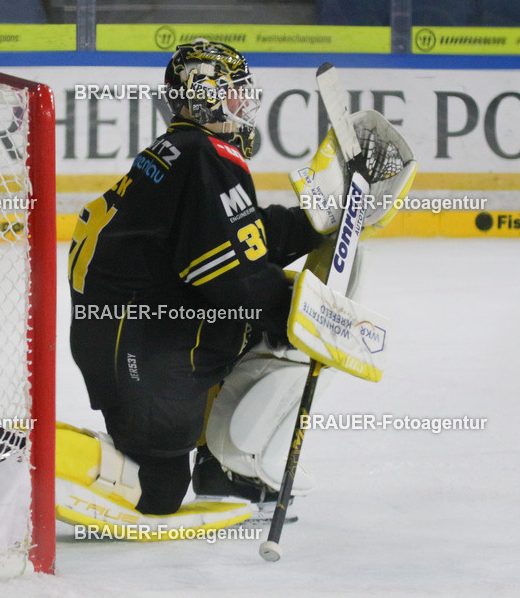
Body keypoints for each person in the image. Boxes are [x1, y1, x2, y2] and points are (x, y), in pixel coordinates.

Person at [61, 39, 328, 525]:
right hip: (143, 346)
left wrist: (316, 223)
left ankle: (227, 472)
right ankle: (24, 451)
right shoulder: (204, 157)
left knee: (266, 325)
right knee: (157, 493)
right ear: (207, 93)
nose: (247, 104)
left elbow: (241, 237)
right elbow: (232, 279)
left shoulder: (185, 149)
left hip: (130, 334)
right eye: (238, 91)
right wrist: (303, 308)